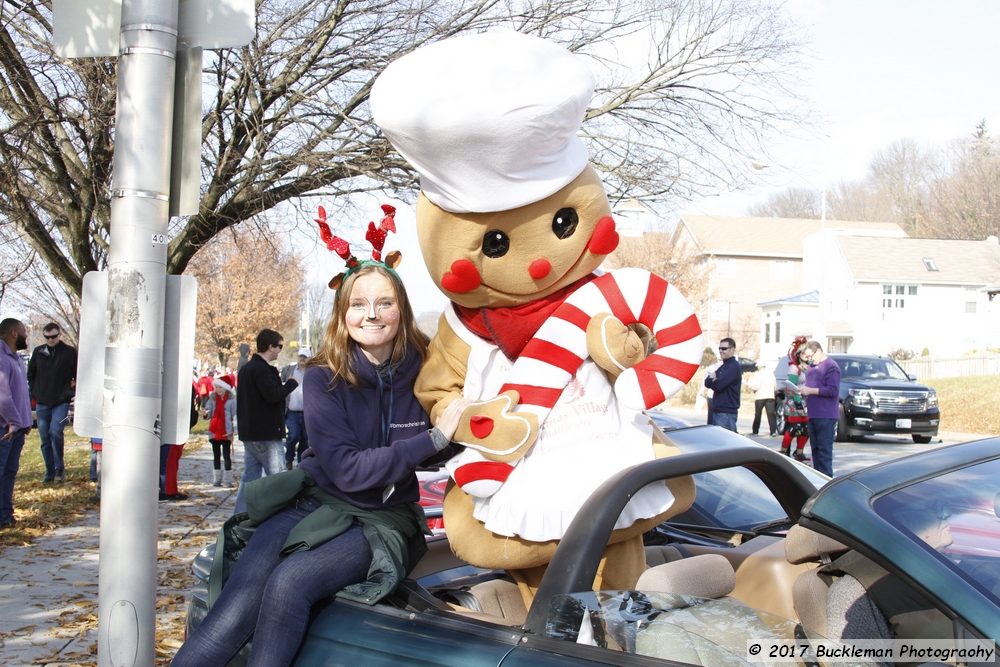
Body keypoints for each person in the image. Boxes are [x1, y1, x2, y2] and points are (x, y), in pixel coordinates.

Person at [172, 262, 471, 667]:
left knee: (290, 582)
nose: (371, 314)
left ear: (401, 308)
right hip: (317, 499)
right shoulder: (320, 376)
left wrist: (457, 435)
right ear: (342, 314)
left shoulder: (427, 368)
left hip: (384, 516)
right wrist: (433, 439)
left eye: (384, 303)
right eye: (358, 304)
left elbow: (438, 446)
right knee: (235, 605)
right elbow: (348, 469)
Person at [234, 329, 299, 514]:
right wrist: (291, 383)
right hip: (265, 433)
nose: (280, 350)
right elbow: (272, 395)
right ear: (270, 347)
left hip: (250, 432)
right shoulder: (261, 370)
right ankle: (285, 517)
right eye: (279, 346)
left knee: (250, 479)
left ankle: (240, 516)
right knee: (278, 477)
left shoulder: (247, 368)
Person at [26, 322, 76, 483]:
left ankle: (59, 467)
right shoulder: (38, 352)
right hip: (42, 401)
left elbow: (76, 372)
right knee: (45, 438)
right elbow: (31, 374)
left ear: (59, 335)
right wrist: (36, 391)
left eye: (53, 336)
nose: (50, 340)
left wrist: (72, 387)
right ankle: (49, 472)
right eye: (47, 337)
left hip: (61, 400)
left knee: (55, 431)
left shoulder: (69, 352)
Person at [0, 318, 31, 528]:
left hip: (18, 428)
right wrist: (13, 421)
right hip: (6, 428)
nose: (26, 335)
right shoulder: (2, 359)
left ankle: (5, 516)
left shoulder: (17, 359)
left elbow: (21, 395)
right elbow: (3, 396)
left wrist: (26, 422)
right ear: (13, 334)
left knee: (10, 473)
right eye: (24, 332)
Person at [800, 340, 840, 477]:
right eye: (808, 357)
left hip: (826, 415)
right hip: (813, 414)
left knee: (824, 451)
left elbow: (832, 390)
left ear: (819, 351)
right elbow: (810, 387)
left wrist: (811, 391)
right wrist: (803, 392)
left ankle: (826, 480)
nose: (810, 360)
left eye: (811, 356)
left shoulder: (831, 366)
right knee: (815, 450)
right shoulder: (811, 368)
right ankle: (817, 480)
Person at [778, 338, 810, 461]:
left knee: (806, 428)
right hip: (794, 400)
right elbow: (792, 387)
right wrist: (798, 404)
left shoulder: (809, 368)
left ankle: (799, 452)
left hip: (806, 400)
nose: (806, 355)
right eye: (803, 352)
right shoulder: (794, 368)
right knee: (795, 427)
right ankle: (783, 450)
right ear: (798, 354)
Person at [280, 347, 311, 469]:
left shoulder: (312, 371)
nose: (302, 359)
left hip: (307, 412)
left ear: (309, 358)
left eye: (305, 356)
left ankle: (301, 464)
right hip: (291, 411)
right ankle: (288, 459)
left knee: (305, 438)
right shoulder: (289, 371)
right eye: (300, 356)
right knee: (293, 435)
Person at [703, 337, 741, 432]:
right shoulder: (724, 366)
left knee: (726, 444)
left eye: (724, 348)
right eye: (719, 348)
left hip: (726, 413)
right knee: (718, 443)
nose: (721, 351)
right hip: (718, 412)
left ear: (732, 349)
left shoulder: (733, 366)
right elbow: (707, 382)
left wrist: (714, 380)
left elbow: (718, 386)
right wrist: (713, 379)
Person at [205, 374, 237, 487]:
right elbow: (208, 411)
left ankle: (228, 480)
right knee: (216, 455)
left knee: (226, 455)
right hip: (214, 431)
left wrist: (235, 428)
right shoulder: (212, 399)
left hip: (226, 431)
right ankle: (217, 479)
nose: (218, 390)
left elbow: (235, 415)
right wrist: (206, 413)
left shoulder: (232, 401)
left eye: (221, 387)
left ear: (226, 388)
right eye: (217, 387)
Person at [748, 361, 777, 437]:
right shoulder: (771, 374)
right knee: (771, 414)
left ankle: (755, 431)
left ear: (759, 366)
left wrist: (749, 384)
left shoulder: (758, 374)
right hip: (770, 396)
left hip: (760, 396)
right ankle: (773, 431)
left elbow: (755, 386)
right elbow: (775, 386)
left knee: (758, 415)